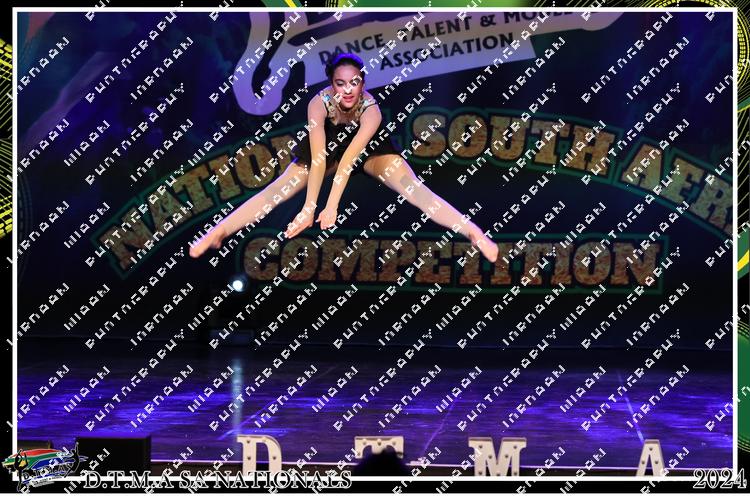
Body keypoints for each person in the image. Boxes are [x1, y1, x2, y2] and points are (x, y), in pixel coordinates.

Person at [189, 52, 499, 263]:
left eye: (354, 83)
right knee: (280, 189)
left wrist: (332, 206)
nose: (348, 90)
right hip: (327, 150)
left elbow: (349, 160)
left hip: (368, 151)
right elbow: (320, 159)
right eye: (340, 83)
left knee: (412, 187)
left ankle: (474, 231)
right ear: (331, 84)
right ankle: (219, 232)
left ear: (363, 83)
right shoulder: (318, 105)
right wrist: (310, 208)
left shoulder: (371, 112)